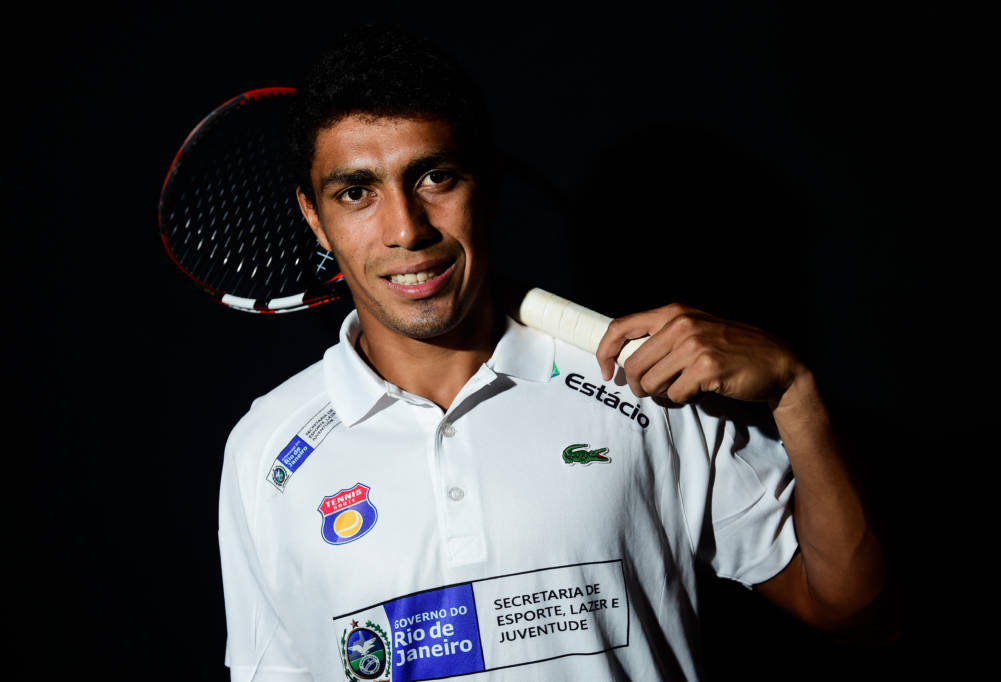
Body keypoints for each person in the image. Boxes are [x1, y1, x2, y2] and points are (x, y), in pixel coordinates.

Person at [218, 25, 885, 681]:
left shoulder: (640, 380)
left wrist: (795, 395)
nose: (405, 229)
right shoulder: (266, 452)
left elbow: (850, 610)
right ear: (315, 218)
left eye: (435, 177)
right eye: (357, 192)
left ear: (487, 183)